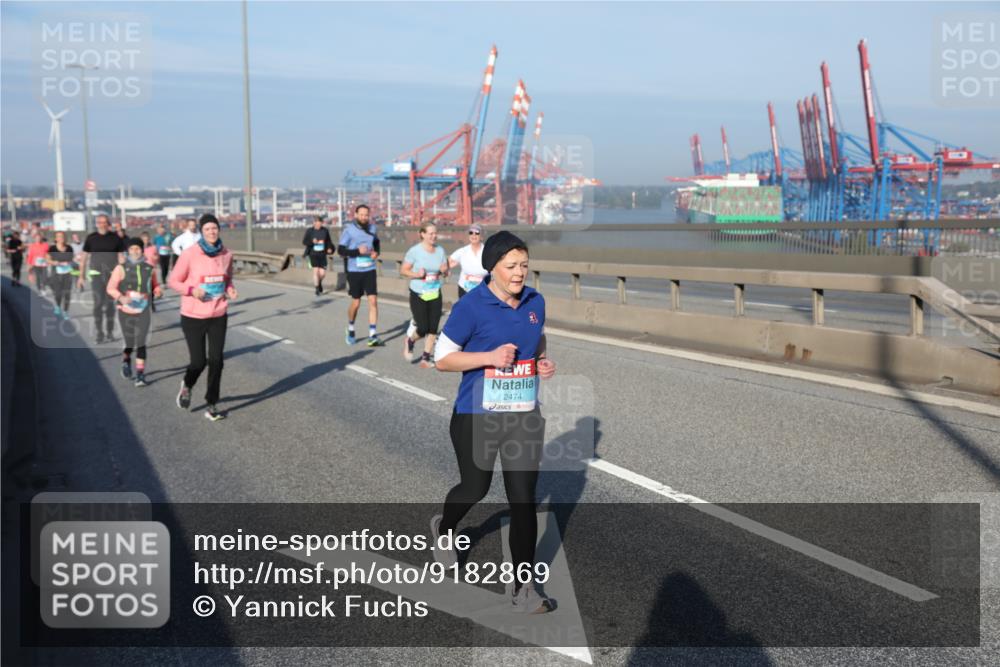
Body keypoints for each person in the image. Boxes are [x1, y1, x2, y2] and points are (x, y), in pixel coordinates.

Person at [431, 231, 556, 614]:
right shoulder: (472, 306)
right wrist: (488, 357)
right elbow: (442, 359)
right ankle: (445, 529)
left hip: (523, 416)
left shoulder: (536, 301)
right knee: (475, 487)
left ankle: (523, 589)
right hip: (476, 415)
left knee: (523, 501)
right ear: (492, 267)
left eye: (524, 265)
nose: (520, 273)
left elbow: (536, 338)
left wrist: (541, 361)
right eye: (511, 266)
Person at [168, 214, 237, 422]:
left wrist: (231, 289)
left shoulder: (226, 254)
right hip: (193, 315)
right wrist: (191, 290)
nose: (211, 232)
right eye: (207, 229)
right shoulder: (190, 254)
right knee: (198, 362)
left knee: (217, 360)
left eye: (214, 228)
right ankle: (187, 385)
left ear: (219, 230)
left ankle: (212, 403)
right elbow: (173, 281)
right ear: (201, 231)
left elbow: (227, 279)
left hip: (218, 314)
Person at [106, 238, 162, 387]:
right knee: (130, 342)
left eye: (138, 249)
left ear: (142, 251)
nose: (135, 251)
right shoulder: (121, 268)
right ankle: (126, 360)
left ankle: (140, 375)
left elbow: (155, 285)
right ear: (128, 251)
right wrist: (121, 297)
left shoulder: (150, 268)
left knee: (141, 342)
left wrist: (158, 291)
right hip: (126, 310)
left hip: (144, 309)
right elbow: (110, 288)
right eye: (132, 249)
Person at [400, 223, 449, 368]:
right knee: (422, 327)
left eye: (435, 233)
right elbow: (403, 270)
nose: (434, 236)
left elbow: (446, 271)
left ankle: (425, 358)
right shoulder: (415, 251)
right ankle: (410, 341)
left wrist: (445, 270)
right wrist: (416, 274)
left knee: (433, 327)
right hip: (419, 293)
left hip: (435, 292)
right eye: (430, 233)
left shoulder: (440, 250)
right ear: (422, 234)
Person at [337, 204, 382, 346]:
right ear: (356, 215)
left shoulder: (373, 228)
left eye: (366, 215)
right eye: (361, 214)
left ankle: (372, 335)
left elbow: (376, 243)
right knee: (356, 302)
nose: (364, 217)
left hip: (370, 269)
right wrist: (357, 252)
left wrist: (376, 253)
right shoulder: (349, 230)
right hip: (354, 271)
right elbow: (341, 250)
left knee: (373, 301)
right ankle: (350, 328)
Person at [78, 214, 126, 343]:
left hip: (112, 276)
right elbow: (84, 258)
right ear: (96, 224)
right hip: (96, 275)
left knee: (110, 305)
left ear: (108, 224)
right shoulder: (91, 238)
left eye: (104, 222)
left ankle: (109, 332)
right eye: (99, 222)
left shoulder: (115, 238)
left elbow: (121, 257)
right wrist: (81, 276)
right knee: (98, 305)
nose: (102, 224)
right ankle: (99, 333)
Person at [449, 224, 488, 298]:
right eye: (471, 233)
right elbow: (447, 263)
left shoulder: (488, 251)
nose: (474, 235)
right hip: (465, 289)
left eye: (477, 233)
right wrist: (446, 270)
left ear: (481, 236)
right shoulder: (462, 251)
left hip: (483, 289)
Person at [302, 215, 334, 296]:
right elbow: (305, 242)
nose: (318, 225)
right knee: (316, 271)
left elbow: (329, 242)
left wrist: (330, 248)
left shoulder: (325, 231)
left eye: (320, 223)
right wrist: (312, 241)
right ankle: (317, 289)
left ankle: (319, 283)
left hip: (322, 254)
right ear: (314, 223)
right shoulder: (310, 231)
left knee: (322, 273)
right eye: (317, 223)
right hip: (313, 254)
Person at [46, 231, 75, 319]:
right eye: (58, 236)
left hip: (67, 274)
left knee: (67, 294)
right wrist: (54, 262)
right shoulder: (52, 248)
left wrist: (70, 262)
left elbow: (72, 259)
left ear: (65, 238)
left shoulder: (69, 248)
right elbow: (47, 259)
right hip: (56, 274)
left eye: (62, 236)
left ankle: (66, 311)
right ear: (56, 238)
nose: (61, 238)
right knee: (58, 293)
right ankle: (58, 306)